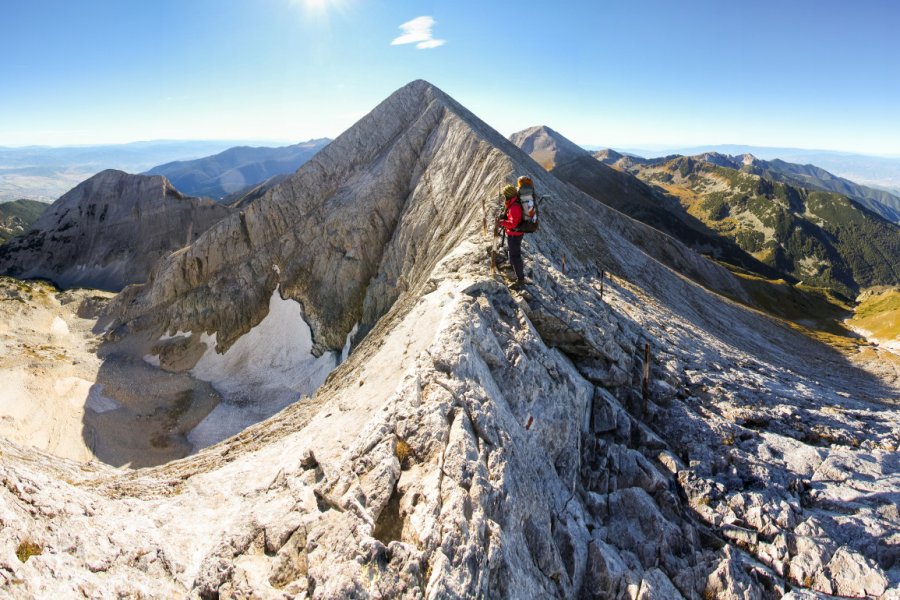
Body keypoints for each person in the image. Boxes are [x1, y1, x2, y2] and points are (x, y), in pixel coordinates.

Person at [496, 181, 528, 289]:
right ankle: (511, 264)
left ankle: (520, 279)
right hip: (515, 233)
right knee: (512, 251)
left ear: (508, 195)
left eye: (505, 195)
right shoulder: (515, 202)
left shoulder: (514, 207)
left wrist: (502, 222)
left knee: (516, 256)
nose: (504, 197)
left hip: (515, 234)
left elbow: (513, 223)